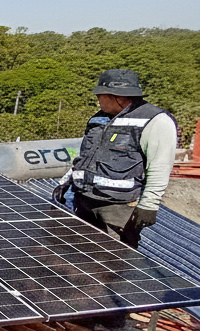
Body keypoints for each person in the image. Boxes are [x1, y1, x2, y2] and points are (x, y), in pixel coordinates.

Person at [52, 69, 177, 248]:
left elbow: (160, 166)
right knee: (81, 253)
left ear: (117, 96)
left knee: (113, 257)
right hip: (84, 200)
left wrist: (149, 205)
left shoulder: (156, 121)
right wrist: (65, 183)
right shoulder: (98, 119)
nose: (97, 100)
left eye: (100, 95)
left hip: (118, 209)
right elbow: (85, 159)